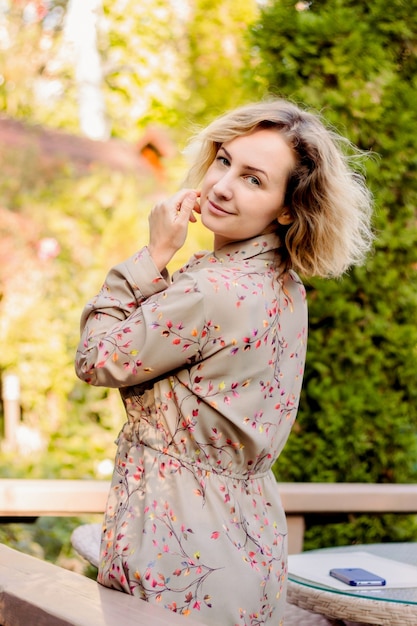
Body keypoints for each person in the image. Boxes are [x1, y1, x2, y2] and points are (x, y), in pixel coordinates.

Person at [75, 99, 373, 625]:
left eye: (254, 179)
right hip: (250, 546)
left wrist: (152, 257)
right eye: (224, 161)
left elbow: (97, 358)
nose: (222, 185)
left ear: (287, 207)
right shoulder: (285, 288)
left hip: (177, 556)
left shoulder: (212, 290)